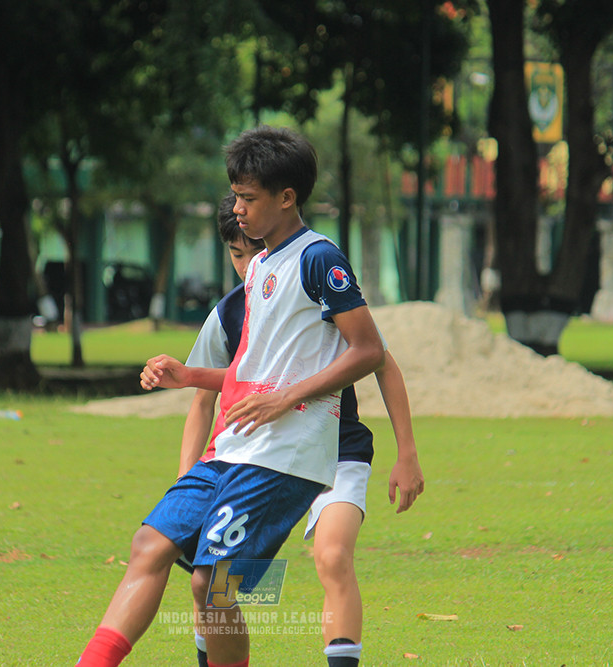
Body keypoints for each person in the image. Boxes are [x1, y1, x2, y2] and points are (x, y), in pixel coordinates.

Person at [76, 125, 385, 667]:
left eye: (248, 198)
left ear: (287, 198)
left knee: (213, 584)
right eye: (236, 196)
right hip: (232, 448)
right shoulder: (260, 265)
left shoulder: (319, 260)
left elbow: (369, 352)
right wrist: (189, 376)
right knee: (149, 547)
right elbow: (252, 371)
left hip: (283, 456)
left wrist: (285, 399)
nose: (236, 209)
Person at [180, 192, 423, 667]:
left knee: (332, 557)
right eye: (236, 254)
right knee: (210, 581)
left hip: (335, 450)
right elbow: (202, 402)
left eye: (254, 251)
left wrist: (407, 452)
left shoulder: (317, 288)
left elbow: (381, 362)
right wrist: (189, 484)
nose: (249, 264)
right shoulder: (227, 315)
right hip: (256, 463)